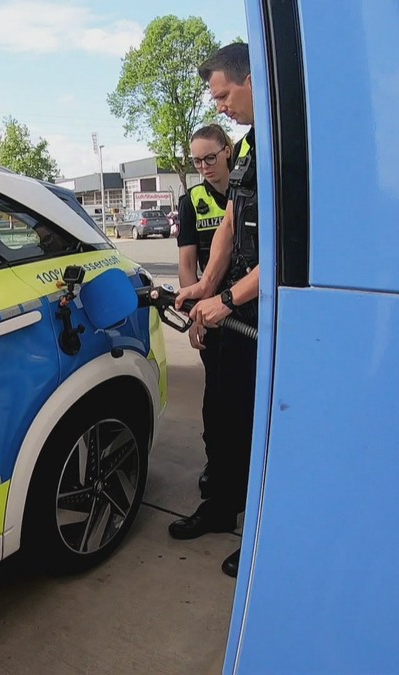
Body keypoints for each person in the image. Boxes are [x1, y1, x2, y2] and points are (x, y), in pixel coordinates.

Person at [174, 42, 261, 578]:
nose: (221, 105)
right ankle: (218, 505)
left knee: (257, 426)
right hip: (232, 313)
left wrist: (225, 300)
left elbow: (285, 251)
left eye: (225, 95)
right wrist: (204, 287)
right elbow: (230, 222)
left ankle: (256, 530)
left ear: (253, 80)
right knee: (221, 418)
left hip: (262, 317)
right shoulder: (250, 148)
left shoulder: (289, 145)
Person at [168, 123, 237, 544]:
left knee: (246, 408)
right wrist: (195, 313)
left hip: (249, 311)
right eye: (197, 161)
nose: (204, 167)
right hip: (213, 315)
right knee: (217, 405)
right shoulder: (192, 200)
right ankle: (219, 474)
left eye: (211, 157)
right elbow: (186, 265)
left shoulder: (251, 188)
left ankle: (239, 485)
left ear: (228, 152)